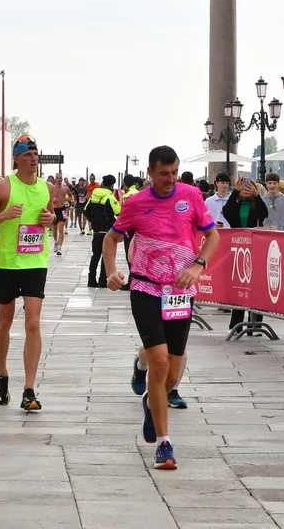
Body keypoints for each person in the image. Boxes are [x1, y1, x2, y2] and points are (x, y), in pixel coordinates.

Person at [104, 145, 218, 470]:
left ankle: (151, 402)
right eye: (163, 174)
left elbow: (213, 237)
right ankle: (164, 445)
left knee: (172, 372)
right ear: (150, 173)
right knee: (159, 359)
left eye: (174, 172)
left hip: (180, 292)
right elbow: (110, 239)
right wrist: (112, 272)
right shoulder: (136, 202)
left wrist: (197, 266)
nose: (170, 179)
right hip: (145, 287)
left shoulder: (192, 196)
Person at [0, 135, 58, 411]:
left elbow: (50, 216)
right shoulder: (2, 187)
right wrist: (3, 216)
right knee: (4, 322)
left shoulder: (46, 188)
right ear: (17, 159)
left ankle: (29, 389)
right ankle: (2, 372)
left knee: (33, 323)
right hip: (6, 263)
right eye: (28, 154)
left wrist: (51, 219)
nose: (33, 159)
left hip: (35, 263)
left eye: (36, 154)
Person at [84, 175, 120, 288]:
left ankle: (91, 280)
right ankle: (102, 281)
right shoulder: (110, 197)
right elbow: (119, 213)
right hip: (108, 231)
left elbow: (86, 211)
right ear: (111, 185)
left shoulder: (93, 196)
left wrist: (93, 221)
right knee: (106, 256)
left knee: (95, 256)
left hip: (96, 231)